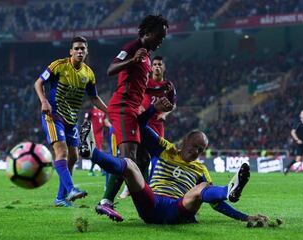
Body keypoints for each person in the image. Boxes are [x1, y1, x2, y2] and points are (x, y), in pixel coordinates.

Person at [79, 97, 268, 224]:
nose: (197, 152)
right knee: (130, 165)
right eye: (195, 146)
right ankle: (92, 153)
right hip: (150, 204)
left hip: (177, 210)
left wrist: (245, 218)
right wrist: (153, 108)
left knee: (202, 188)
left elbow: (216, 203)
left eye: (201, 150)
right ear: (185, 141)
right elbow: (140, 126)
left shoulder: (200, 169)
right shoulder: (165, 148)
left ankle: (230, 190)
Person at [89, 15, 169, 221]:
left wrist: (161, 89)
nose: (161, 40)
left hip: (134, 110)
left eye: (163, 37)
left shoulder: (148, 56)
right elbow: (110, 69)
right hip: (123, 108)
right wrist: (132, 60)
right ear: (147, 33)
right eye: (159, 36)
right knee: (129, 159)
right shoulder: (133, 47)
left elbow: (140, 84)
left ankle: (145, 205)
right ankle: (105, 202)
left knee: (143, 159)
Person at [34, 36, 107, 207]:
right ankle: (71, 190)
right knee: (62, 152)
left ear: (86, 51)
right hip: (53, 116)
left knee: (73, 157)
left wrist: (110, 111)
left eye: (83, 48)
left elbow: (94, 97)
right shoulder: (58, 65)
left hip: (71, 120)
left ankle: (60, 198)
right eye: (77, 48)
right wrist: (43, 101)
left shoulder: (88, 73)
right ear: (71, 51)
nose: (80, 51)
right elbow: (38, 83)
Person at [119, 55, 176, 199]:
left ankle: (151, 187)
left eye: (160, 64)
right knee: (139, 155)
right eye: (155, 64)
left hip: (157, 124)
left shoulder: (168, 85)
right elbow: (135, 96)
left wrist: (165, 114)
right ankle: (130, 186)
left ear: (164, 67)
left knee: (158, 154)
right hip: (143, 122)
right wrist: (138, 107)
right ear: (151, 67)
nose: (157, 67)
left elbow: (172, 104)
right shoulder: (145, 82)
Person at [284, 110, 303, 176]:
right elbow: (292, 132)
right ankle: (287, 167)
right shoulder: (298, 123)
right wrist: (297, 140)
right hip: (300, 143)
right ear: (300, 115)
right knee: (298, 159)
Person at [84, 106, 111, 176]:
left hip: (100, 135)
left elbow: (105, 122)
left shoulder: (102, 112)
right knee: (97, 152)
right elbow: (86, 121)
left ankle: (94, 170)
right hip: (93, 135)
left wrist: (112, 127)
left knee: (97, 152)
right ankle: (99, 170)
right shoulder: (91, 111)